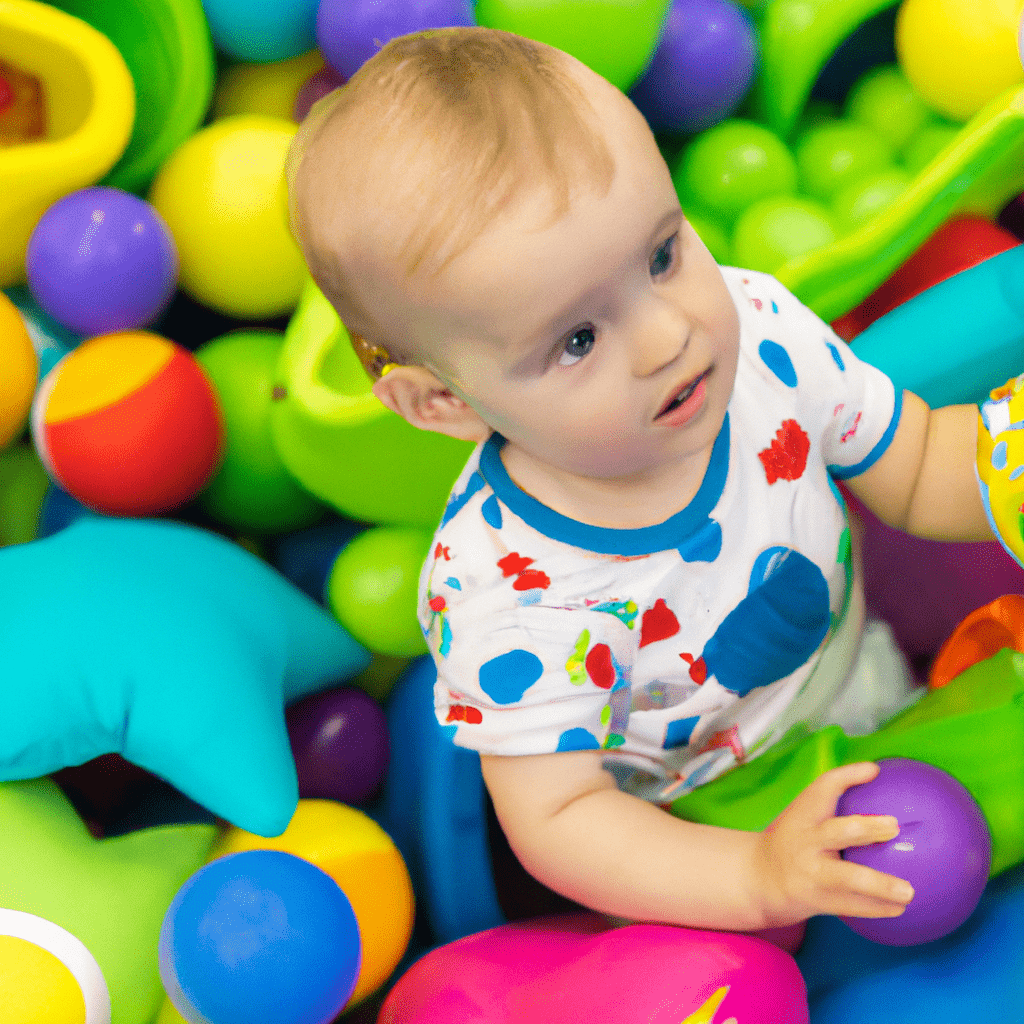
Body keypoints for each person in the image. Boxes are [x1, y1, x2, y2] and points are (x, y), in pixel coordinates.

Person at [286, 26, 1004, 936]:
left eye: (663, 254)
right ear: (441, 401)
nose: (669, 336)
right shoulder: (513, 600)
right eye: (578, 340)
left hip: (857, 661)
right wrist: (753, 874)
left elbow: (915, 470)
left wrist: (1000, 468)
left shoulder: (758, 336)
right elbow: (562, 819)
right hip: (704, 821)